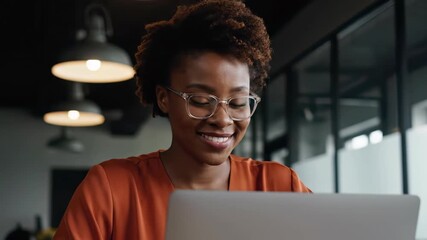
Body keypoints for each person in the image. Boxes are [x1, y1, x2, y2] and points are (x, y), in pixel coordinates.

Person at [53, 0, 312, 239]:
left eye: (237, 103)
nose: (222, 120)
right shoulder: (110, 188)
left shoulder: (279, 186)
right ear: (164, 98)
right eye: (200, 100)